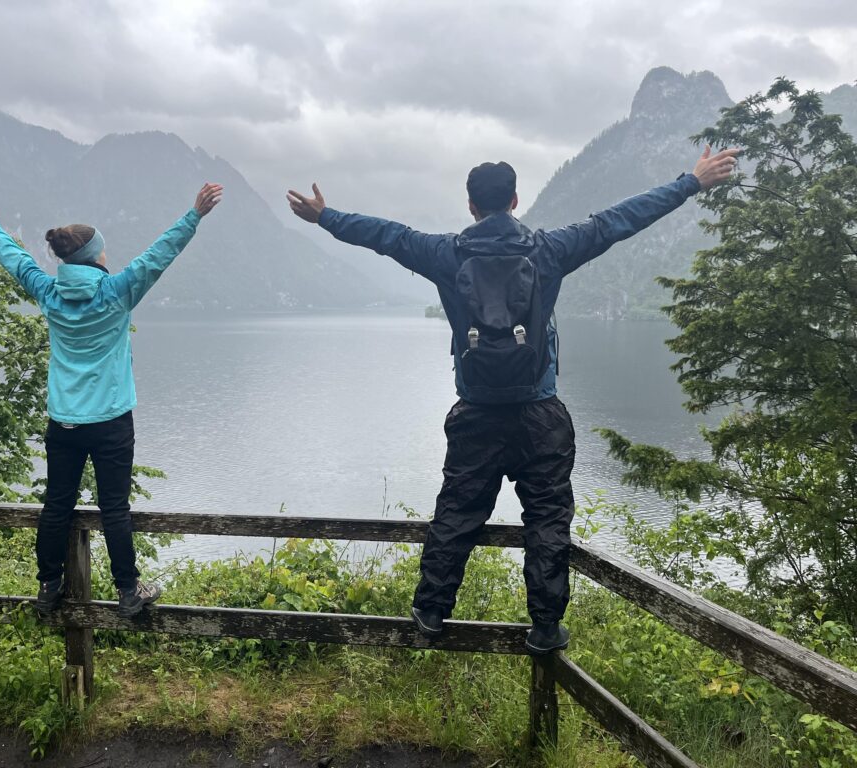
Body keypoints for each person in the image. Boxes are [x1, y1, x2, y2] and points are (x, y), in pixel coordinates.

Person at [287, 146, 739, 653]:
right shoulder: (549, 250)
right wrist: (690, 182)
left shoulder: (445, 253)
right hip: (540, 415)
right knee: (547, 518)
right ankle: (545, 627)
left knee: (457, 511)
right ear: (516, 200)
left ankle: (431, 611)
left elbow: (387, 235)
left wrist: (326, 217)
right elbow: (617, 221)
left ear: (471, 206)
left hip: (476, 414)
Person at [0, 182, 223, 618]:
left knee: (57, 504)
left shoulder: (49, 292)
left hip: (65, 422)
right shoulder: (117, 292)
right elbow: (159, 254)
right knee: (114, 508)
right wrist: (194, 215)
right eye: (103, 249)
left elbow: (13, 257)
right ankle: (128, 590)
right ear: (95, 256)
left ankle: (48, 586)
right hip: (111, 422)